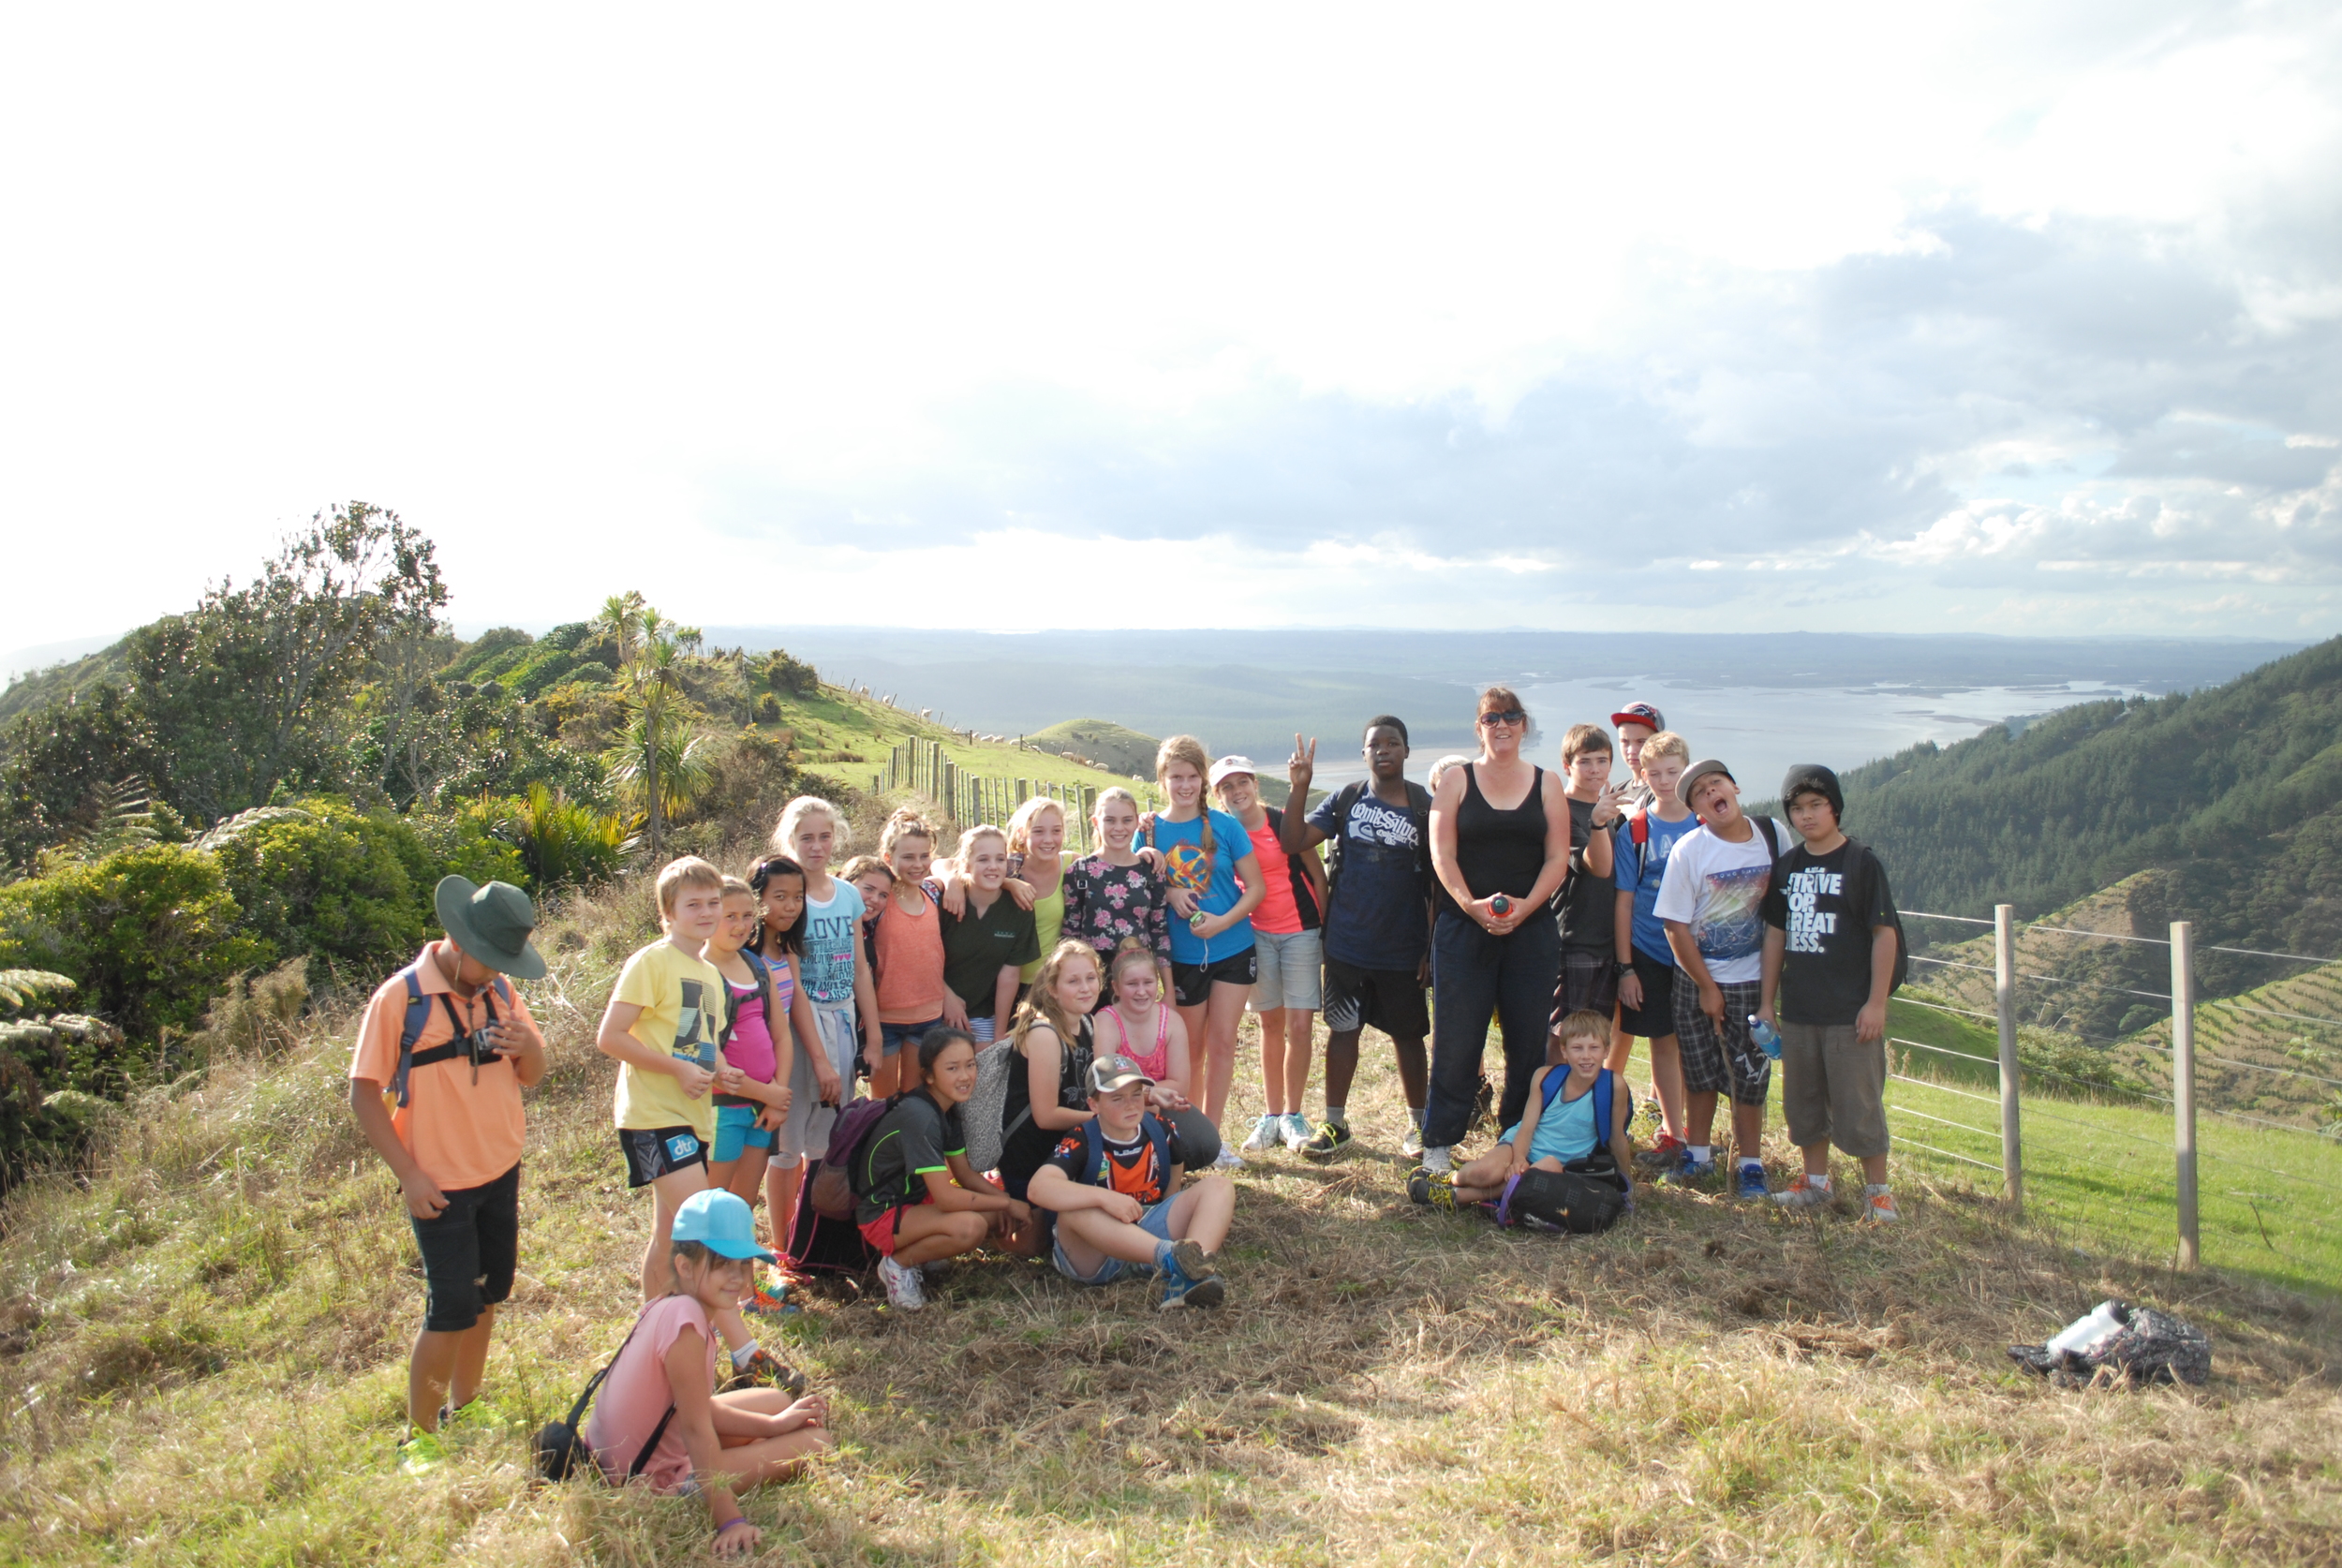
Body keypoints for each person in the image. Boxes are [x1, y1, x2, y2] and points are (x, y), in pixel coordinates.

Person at [348, 875, 550, 1475]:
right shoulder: (400, 998)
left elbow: (534, 1072)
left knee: (490, 1291)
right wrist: (409, 1175)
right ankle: (420, 1435)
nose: (494, 972)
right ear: (456, 942)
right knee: (450, 1306)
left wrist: (525, 1045)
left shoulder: (502, 991)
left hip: (499, 1168)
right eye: (488, 960)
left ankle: (468, 1404)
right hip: (438, 1182)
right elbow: (362, 1094)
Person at [595, 857, 796, 1396]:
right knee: (706, 1226)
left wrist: (713, 1072)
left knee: (668, 1238)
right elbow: (611, 1037)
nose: (707, 913)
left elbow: (697, 1050)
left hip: (694, 1118)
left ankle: (652, 1344)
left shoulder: (709, 975)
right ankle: (746, 1352)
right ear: (667, 913)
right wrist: (681, 1069)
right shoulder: (651, 962)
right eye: (694, 905)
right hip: (652, 1119)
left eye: (714, 903)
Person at [583, 1190, 831, 1561]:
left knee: (778, 1402)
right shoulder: (687, 1324)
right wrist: (730, 1521)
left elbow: (692, 1408)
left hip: (624, 1455)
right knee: (818, 1442)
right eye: (722, 1263)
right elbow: (696, 1429)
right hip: (649, 1481)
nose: (737, 1277)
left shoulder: (671, 1304)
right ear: (684, 1265)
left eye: (744, 1265)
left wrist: (776, 1424)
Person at [1418, 688, 1575, 1176]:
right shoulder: (1457, 781)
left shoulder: (1548, 782)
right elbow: (1441, 854)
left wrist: (1527, 908)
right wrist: (1471, 905)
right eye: (1491, 718)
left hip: (1531, 931)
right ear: (1479, 727)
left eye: (1511, 717)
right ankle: (1439, 1141)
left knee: (1528, 1037)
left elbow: (1557, 857)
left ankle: (1515, 1138)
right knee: (1457, 1037)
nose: (1501, 725)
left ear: (1524, 724)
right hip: (1464, 929)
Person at [1280, 717, 1434, 1161]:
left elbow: (1437, 886)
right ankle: (1335, 1123)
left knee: (1408, 1037)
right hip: (1347, 944)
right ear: (1363, 754)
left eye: (1393, 743)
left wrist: (1429, 946)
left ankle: (1417, 1126)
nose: (1383, 750)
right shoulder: (1346, 799)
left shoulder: (1425, 807)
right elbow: (1292, 841)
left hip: (1403, 949)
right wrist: (1299, 786)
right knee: (1342, 1031)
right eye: (1374, 745)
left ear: (1407, 751)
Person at [1756, 763, 1904, 1222]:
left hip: (1850, 1011)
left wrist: (1876, 1003)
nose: (1807, 815)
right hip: (1800, 1010)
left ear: (1834, 807)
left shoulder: (1861, 862)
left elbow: (1884, 934)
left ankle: (1878, 1192)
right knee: (1803, 1103)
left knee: (1858, 1105)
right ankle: (1815, 1183)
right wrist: (1767, 1003)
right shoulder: (1788, 866)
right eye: (1797, 808)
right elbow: (1775, 935)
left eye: (1816, 805)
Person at [1655, 758, 1786, 1197]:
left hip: (1753, 978)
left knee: (1750, 1075)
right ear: (1698, 811)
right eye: (1700, 793)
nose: (1712, 793)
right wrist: (1708, 988)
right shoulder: (1689, 850)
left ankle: (1750, 1164)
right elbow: (1674, 926)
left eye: (1717, 783)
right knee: (1698, 1072)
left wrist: (1769, 997)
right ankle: (1699, 1157)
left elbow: (1779, 921)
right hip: (1696, 979)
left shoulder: (1772, 836)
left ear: (1735, 787)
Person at [1030, 1055, 1237, 1309]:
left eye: (1136, 1095)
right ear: (1094, 1105)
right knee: (1073, 1210)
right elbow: (1038, 1188)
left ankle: (1191, 1275)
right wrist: (1105, 1198)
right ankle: (1173, 1260)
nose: (1130, 1105)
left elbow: (1176, 1162)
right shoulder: (1083, 1138)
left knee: (1220, 1186)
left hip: (1146, 1228)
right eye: (1117, 1098)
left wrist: (1168, 1204)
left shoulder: (1161, 1128)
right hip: (1097, 1253)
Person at [1146, 735, 1266, 1163]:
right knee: (1189, 1050)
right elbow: (1134, 885)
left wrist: (1222, 922)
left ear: (1202, 779)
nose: (1184, 785)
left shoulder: (1227, 826)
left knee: (1222, 1044)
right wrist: (1171, 892)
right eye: (1176, 776)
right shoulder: (1149, 829)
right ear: (1162, 780)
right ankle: (1184, 1137)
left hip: (1233, 948)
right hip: (1180, 957)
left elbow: (1256, 888)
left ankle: (1212, 1141)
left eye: (1192, 776)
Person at [851, 1028, 1031, 1310]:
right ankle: (896, 1265)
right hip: (883, 1214)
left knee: (994, 1215)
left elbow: (965, 1175)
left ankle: (923, 1251)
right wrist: (1007, 1203)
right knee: (971, 1228)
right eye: (952, 1068)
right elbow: (947, 1197)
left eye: (970, 1065)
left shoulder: (947, 1108)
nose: (965, 1076)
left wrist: (1004, 1205)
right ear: (929, 1075)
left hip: (916, 1204)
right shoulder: (919, 1117)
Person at [1210, 755, 1329, 1155]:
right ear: (1218, 795)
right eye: (1227, 786)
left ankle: (1293, 1116)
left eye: (1242, 782)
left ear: (1255, 783)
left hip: (1300, 932)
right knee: (1269, 1025)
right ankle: (1271, 1115)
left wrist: (1324, 930)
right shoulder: (1219, 830)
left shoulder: (1282, 823)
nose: (1236, 791)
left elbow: (1317, 874)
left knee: (1299, 1026)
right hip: (1255, 934)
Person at [1413, 1009, 1633, 1210]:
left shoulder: (1614, 1086)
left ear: (1606, 1050)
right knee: (1484, 1173)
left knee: (1534, 1174)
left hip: (1564, 1166)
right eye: (1577, 1048)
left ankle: (1453, 1198)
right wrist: (1519, 1158)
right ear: (1564, 1051)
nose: (1586, 1056)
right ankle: (1450, 1179)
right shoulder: (1546, 1077)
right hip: (1521, 1145)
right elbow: (1526, 1127)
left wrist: (1627, 1185)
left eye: (1594, 1048)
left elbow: (1617, 1138)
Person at [1611, 731, 1697, 1170]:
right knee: (1664, 1042)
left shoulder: (1705, 825)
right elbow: (1623, 900)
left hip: (1699, 953)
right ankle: (1674, 1134)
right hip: (1649, 950)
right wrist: (1626, 967)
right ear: (1643, 775)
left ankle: (1696, 1137)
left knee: (1697, 1044)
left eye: (1674, 772)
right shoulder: (1637, 829)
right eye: (1657, 774)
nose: (1665, 781)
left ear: (1687, 770)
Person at [772, 795, 884, 1130]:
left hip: (843, 1021)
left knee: (827, 1135)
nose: (817, 847)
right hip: (798, 1025)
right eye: (806, 838)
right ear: (791, 841)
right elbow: (791, 982)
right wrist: (819, 1059)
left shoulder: (847, 895)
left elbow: (860, 970)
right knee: (789, 1142)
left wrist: (874, 1039)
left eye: (825, 837)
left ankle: (813, 1185)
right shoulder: (787, 899)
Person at [993, 939, 1104, 1215]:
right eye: (1073, 981)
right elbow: (1045, 1116)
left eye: (1091, 978)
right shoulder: (1044, 1034)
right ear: (1053, 990)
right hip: (1031, 1158)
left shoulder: (1089, 1022)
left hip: (1068, 1149)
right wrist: (1104, 1120)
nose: (1085, 988)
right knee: (1044, 1239)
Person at [705, 877, 794, 1219]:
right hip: (722, 1108)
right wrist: (768, 1094)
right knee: (712, 1202)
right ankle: (704, 1270)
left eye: (747, 915)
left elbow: (781, 1036)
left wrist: (778, 1093)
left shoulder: (757, 965)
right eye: (730, 916)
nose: (741, 925)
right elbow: (709, 1054)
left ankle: (737, 1271)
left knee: (743, 1202)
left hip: (763, 1109)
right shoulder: (702, 971)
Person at [1093, 935, 1223, 1167]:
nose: (1141, 991)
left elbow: (1180, 1084)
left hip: (1163, 1105)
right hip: (1118, 1107)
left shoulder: (1171, 1020)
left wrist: (1142, 1095)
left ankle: (1160, 1165)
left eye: (1148, 983)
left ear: (1157, 983)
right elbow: (1106, 1081)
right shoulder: (1106, 1021)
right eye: (1132, 984)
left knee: (1205, 1144)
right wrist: (1145, 1095)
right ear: (1115, 987)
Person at [749, 854, 825, 1239]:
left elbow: (796, 1000)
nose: (791, 906)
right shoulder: (745, 953)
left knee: (779, 1149)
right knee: (760, 1160)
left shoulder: (786, 947)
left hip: (779, 1066)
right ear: (756, 897)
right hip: (747, 1074)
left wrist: (821, 1061)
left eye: (798, 897)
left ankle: (790, 1246)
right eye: (780, 896)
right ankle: (779, 1249)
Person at [1062, 786, 1175, 1000]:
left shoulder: (1151, 871)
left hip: (1137, 978)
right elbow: (1070, 936)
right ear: (1096, 822)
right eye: (1110, 820)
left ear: (1136, 822)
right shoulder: (1080, 871)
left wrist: (1168, 991)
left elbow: (1159, 932)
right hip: (1092, 981)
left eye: (1126, 820)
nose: (1119, 828)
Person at [934, 823, 1041, 1043]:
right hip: (934, 1007)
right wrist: (946, 997)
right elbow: (923, 959)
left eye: (1000, 859)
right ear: (966, 864)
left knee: (980, 1067)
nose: (993, 866)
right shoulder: (947, 899)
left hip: (983, 1014)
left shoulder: (1018, 907)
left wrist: (999, 1034)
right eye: (983, 859)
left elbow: (1009, 975)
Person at [870, 810, 949, 1100]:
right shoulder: (879, 899)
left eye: (924, 856)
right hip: (885, 1018)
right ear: (888, 858)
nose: (917, 865)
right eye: (908, 858)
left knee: (915, 1100)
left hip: (928, 1016)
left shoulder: (933, 891)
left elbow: (951, 869)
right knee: (882, 1103)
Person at [1555, 723, 1625, 1033]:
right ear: (1567, 765)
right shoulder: (1559, 809)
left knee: (1595, 1041)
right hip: (1572, 941)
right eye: (1584, 761)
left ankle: (1587, 1086)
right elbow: (1595, 865)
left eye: (1602, 760)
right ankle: (1550, 1085)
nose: (1595, 769)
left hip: (1605, 942)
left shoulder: (1606, 809)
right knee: (1562, 1038)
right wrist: (1597, 823)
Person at [1609, 702, 1666, 812]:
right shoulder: (1617, 790)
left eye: (1641, 741)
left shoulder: (1664, 791)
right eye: (1625, 741)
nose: (1631, 750)